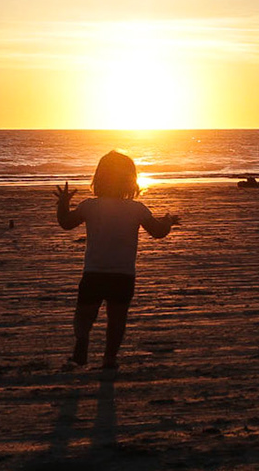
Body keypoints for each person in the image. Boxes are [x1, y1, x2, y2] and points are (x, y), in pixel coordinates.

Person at [54, 150, 179, 378]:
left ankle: (82, 342)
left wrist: (62, 203)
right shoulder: (137, 209)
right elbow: (158, 232)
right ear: (131, 180)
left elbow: (65, 223)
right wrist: (168, 221)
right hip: (123, 274)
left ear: (98, 178)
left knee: (84, 315)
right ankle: (109, 358)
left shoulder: (90, 206)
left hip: (94, 272)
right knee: (117, 319)